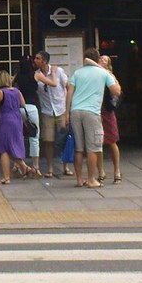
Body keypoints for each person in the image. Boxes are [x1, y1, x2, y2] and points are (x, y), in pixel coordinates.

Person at [64, 47, 121, 188]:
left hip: (76, 111)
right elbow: (116, 91)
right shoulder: (103, 73)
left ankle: (79, 180)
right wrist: (110, 76)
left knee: (78, 148)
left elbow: (69, 92)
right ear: (97, 58)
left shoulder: (77, 73)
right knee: (92, 148)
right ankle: (91, 179)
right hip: (92, 112)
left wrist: (67, 113)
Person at [0, 70, 31, 184]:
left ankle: (6, 177)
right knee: (13, 144)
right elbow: (23, 104)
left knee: (4, 148)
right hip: (17, 120)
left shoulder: (0, 93)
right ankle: (25, 167)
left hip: (6, 120)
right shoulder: (17, 91)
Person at [33, 50, 71, 178]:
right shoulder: (36, 75)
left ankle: (65, 165)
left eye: (37, 58)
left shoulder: (58, 71)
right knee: (48, 140)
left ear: (44, 61)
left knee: (64, 139)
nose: (35, 60)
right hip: (47, 110)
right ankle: (49, 167)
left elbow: (67, 86)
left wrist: (68, 111)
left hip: (60, 109)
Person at [13, 54, 43, 176]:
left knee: (19, 137)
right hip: (31, 107)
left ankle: (17, 165)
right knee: (34, 136)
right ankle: (35, 167)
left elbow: (9, 84)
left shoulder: (18, 76)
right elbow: (53, 83)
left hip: (19, 108)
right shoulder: (36, 75)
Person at [99, 55, 122, 184]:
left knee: (112, 140)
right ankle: (101, 171)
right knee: (97, 143)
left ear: (108, 65)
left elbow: (117, 90)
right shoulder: (94, 74)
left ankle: (116, 171)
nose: (101, 61)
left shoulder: (109, 75)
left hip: (107, 109)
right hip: (96, 109)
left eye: (104, 60)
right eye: (100, 59)